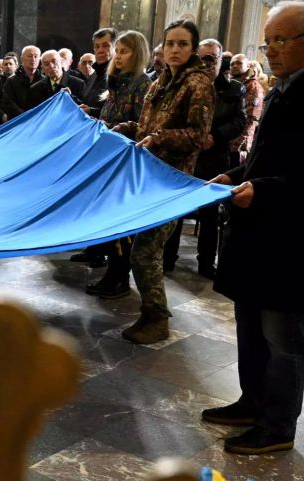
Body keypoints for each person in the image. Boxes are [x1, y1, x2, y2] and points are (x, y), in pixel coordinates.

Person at [203, 1, 304, 455]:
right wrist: (235, 175)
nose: (270, 50)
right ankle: (252, 403)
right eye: (267, 41)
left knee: (282, 337)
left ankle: (278, 426)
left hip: (292, 239)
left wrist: (262, 190)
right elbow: (266, 159)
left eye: (280, 40)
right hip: (257, 232)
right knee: (250, 328)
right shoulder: (284, 89)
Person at [112, 19, 214, 345]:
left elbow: (198, 136)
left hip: (173, 181)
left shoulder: (198, 84)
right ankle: (150, 313)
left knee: (145, 252)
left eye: (182, 44)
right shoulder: (161, 81)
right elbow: (147, 125)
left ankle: (157, 319)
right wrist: (127, 128)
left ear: (192, 49)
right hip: (149, 176)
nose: (174, 49)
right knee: (143, 250)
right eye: (170, 43)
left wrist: (159, 137)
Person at [163, 38, 246, 279]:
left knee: (210, 214)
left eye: (213, 59)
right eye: (203, 58)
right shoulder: (186, 84)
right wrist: (192, 137)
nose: (208, 64)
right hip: (187, 155)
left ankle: (206, 263)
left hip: (214, 157)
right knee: (178, 209)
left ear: (221, 61)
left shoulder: (234, 89)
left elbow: (239, 120)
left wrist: (215, 136)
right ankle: (168, 259)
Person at [83, 30, 152, 300]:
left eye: (124, 51)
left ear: (137, 54)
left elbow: (143, 124)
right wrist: (95, 115)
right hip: (109, 160)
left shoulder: (142, 84)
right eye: (118, 51)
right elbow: (112, 114)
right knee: (108, 220)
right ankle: (113, 273)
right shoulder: (117, 82)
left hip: (126, 163)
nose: (118, 56)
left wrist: (116, 126)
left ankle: (119, 277)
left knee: (121, 226)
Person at [0, 45, 41, 118]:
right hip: (18, 120)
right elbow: (8, 103)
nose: (33, 59)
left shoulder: (43, 80)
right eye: (29, 56)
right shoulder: (11, 81)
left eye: (36, 56)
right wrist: (24, 116)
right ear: (22, 59)